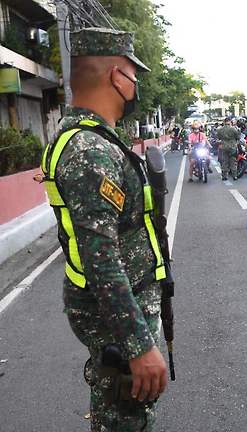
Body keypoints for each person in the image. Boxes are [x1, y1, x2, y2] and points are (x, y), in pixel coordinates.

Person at [39, 27, 168, 430]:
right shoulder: (90, 152)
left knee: (124, 411)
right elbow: (101, 259)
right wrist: (138, 345)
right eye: (134, 74)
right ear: (117, 76)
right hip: (115, 315)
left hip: (121, 303)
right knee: (125, 418)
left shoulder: (95, 141)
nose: (136, 84)